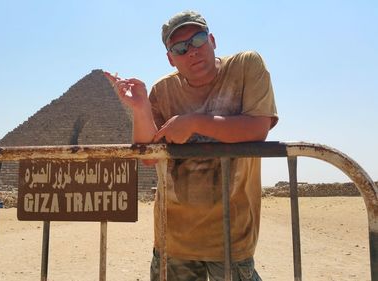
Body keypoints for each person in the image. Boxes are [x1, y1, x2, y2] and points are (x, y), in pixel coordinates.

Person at [105, 10, 278, 281]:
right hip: (173, 239)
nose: (192, 52)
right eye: (181, 48)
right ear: (171, 58)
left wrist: (194, 123)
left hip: (231, 238)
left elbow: (258, 128)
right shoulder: (162, 91)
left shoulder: (246, 66)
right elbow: (150, 158)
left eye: (197, 40)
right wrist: (139, 109)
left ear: (212, 40)